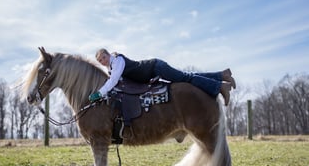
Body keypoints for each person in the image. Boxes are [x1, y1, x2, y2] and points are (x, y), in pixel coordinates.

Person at [89, 48, 236, 106]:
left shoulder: (118, 61)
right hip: (154, 70)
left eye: (104, 57)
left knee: (187, 78)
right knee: (187, 77)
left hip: (156, 67)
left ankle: (220, 87)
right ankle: (222, 75)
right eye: (100, 60)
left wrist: (99, 93)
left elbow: (113, 81)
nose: (103, 61)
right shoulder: (112, 67)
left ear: (108, 54)